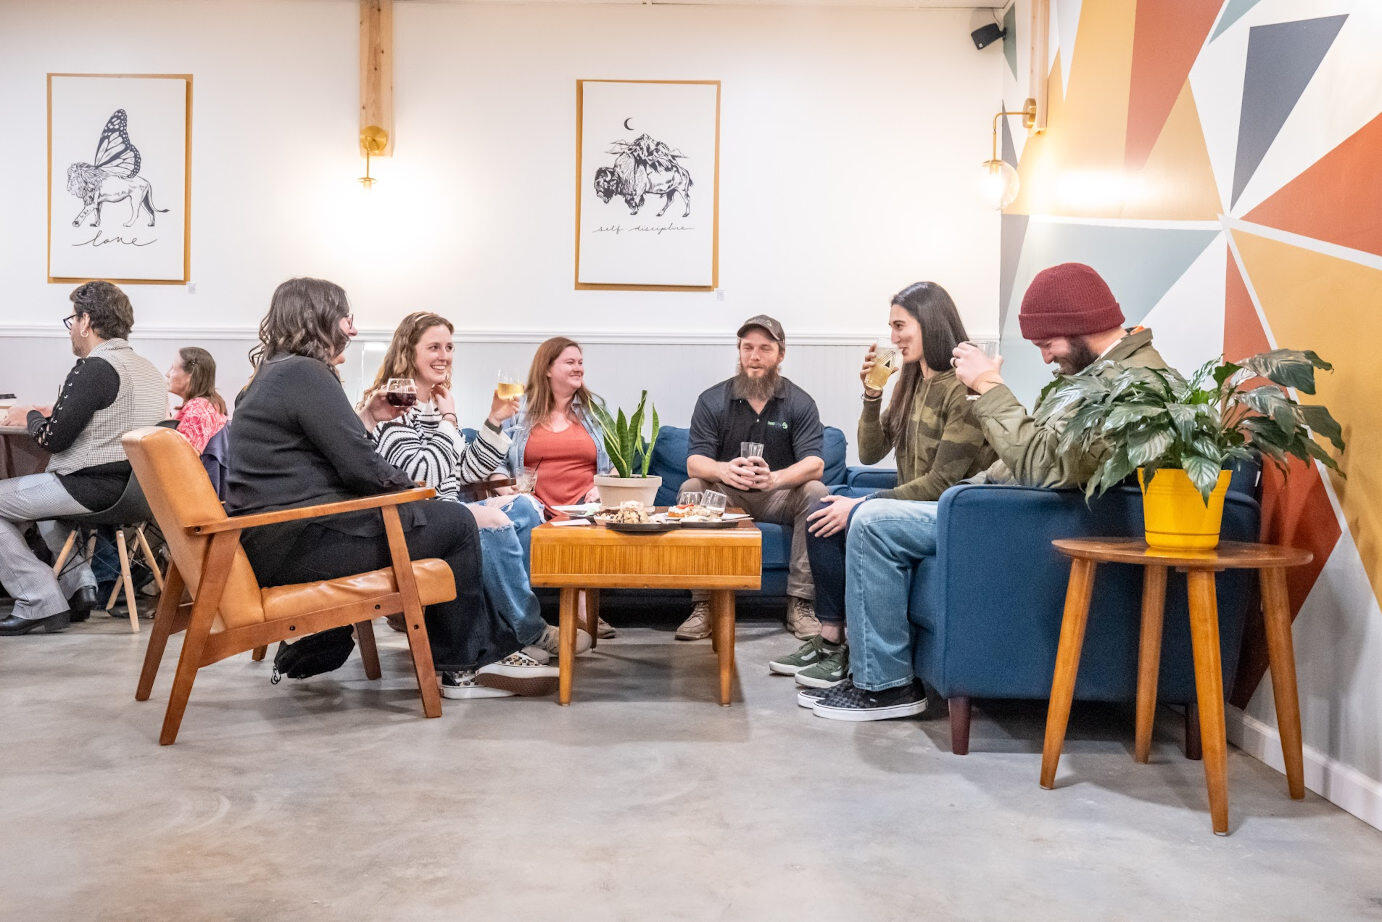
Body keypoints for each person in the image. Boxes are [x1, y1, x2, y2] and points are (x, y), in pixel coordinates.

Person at [805, 262, 1168, 721]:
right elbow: (1015, 461)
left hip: (1032, 521)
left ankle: (885, 686)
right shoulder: (1099, 375)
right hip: (999, 508)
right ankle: (863, 667)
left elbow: (1043, 467)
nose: (1045, 359)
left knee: (872, 522)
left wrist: (988, 387)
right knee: (847, 513)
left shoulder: (1135, 384)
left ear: (1077, 325)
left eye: (1046, 344)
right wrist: (967, 490)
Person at [227, 278, 556, 699]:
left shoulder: (272, 375)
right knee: (456, 523)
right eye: (345, 318)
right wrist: (417, 492)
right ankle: (466, 666)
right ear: (318, 319)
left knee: (455, 516)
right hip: (301, 542)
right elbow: (360, 469)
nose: (352, 329)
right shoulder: (305, 374)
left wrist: (367, 418)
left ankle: (485, 648)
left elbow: (331, 455)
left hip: (280, 540)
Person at [770, 282, 995, 690]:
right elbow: (871, 452)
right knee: (824, 510)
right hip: (911, 504)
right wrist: (873, 394)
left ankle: (851, 657)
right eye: (891, 327)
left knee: (844, 511)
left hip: (947, 508)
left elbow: (942, 482)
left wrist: (863, 505)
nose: (893, 338)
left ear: (929, 322)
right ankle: (831, 640)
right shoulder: (913, 380)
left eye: (900, 326)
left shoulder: (962, 387)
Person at [362, 312, 590, 657]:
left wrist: (495, 419)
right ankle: (528, 631)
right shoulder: (393, 404)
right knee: (493, 520)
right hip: (416, 519)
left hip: (447, 509)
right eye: (434, 347)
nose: (445, 356)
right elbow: (425, 473)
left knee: (526, 507)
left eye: (449, 347)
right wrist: (450, 420)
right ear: (409, 351)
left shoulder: (434, 404)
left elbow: (464, 470)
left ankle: (502, 628)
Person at [0, 282, 167, 635]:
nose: (71, 329)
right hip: (140, 492)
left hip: (94, 488)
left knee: (29, 492)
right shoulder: (149, 371)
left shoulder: (95, 367)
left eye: (72, 320)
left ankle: (38, 597)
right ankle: (79, 586)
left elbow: (52, 439)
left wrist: (29, 415)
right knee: (44, 506)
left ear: (86, 321)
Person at [678, 315, 829, 642]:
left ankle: (800, 603)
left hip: (779, 496)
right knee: (692, 488)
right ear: (739, 351)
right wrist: (723, 470)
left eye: (764, 348)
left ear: (781, 354)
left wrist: (774, 479)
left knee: (816, 491)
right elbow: (694, 462)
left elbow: (815, 464)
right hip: (727, 497)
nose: (755, 356)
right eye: (748, 348)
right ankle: (703, 604)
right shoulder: (712, 400)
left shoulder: (799, 402)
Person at [503, 336, 615, 638]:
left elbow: (619, 460)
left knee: (586, 524)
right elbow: (496, 459)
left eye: (580, 362)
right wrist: (505, 489)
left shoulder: (594, 410)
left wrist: (604, 487)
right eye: (570, 362)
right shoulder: (518, 409)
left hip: (584, 504)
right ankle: (524, 622)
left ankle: (583, 613)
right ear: (547, 368)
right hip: (534, 503)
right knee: (520, 515)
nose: (578, 368)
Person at [167, 346, 228, 454]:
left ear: (190, 375)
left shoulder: (197, 412)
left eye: (173, 368)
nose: (167, 374)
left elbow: (179, 458)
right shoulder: (209, 404)